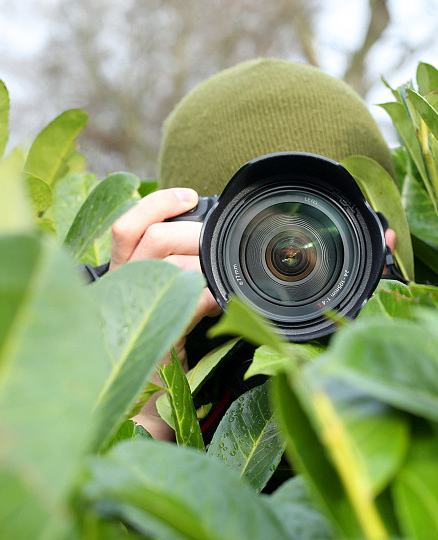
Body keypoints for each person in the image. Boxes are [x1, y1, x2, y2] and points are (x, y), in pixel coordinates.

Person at [107, 58, 399, 440]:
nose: (290, 255)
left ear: (383, 247)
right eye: (251, 242)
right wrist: (148, 401)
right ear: (187, 245)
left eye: (328, 236)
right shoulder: (54, 359)